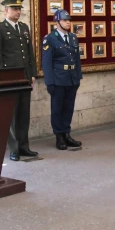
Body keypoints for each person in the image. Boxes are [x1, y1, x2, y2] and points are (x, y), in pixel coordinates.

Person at [0, 0, 38, 162]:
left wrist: (32, 73)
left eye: (19, 9)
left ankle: (24, 146)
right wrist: (1, 79)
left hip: (24, 77)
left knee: (24, 113)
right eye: (15, 9)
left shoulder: (24, 28)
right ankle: (14, 148)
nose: (18, 12)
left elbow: (29, 53)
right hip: (9, 79)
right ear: (6, 10)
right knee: (11, 115)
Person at [42, 10, 83, 151]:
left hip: (71, 78)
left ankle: (67, 134)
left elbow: (77, 60)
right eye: (65, 20)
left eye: (69, 20)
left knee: (68, 108)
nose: (68, 22)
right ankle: (59, 136)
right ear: (57, 22)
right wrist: (49, 82)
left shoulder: (73, 37)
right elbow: (47, 63)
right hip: (58, 79)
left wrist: (78, 77)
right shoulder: (50, 39)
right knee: (57, 109)